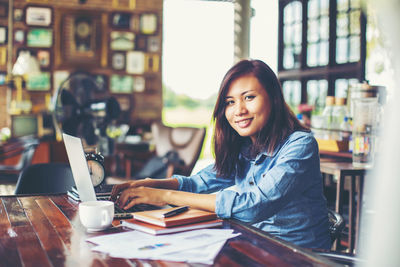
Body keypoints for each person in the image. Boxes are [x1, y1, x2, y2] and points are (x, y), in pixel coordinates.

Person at [111, 59, 331, 249]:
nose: (239, 110)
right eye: (230, 102)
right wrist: (150, 184)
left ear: (273, 98)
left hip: (296, 255)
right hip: (254, 245)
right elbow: (197, 183)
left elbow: (254, 205)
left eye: (249, 97)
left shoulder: (300, 144)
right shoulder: (245, 147)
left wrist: (164, 197)